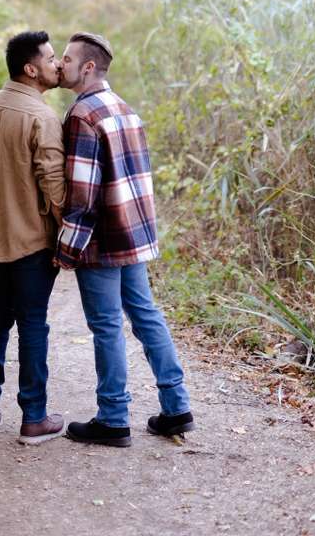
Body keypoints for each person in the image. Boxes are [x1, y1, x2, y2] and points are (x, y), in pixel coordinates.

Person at [55, 31, 194, 447]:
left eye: (66, 58)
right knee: (146, 315)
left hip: (102, 240)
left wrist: (66, 250)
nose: (59, 65)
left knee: (107, 326)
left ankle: (113, 418)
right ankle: (177, 407)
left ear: (88, 67)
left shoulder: (82, 115)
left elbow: (82, 195)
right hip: (133, 233)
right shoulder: (125, 109)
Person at [0, 30, 66, 446]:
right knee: (32, 324)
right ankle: (34, 418)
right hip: (30, 239)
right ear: (31, 69)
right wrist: (67, 233)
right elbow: (54, 182)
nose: (57, 63)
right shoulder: (41, 117)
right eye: (50, 58)